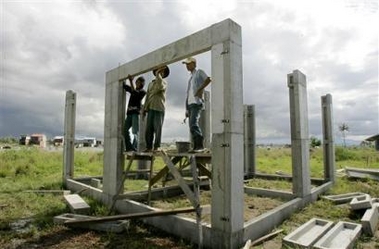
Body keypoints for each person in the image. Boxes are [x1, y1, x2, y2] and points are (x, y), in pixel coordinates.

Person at [182, 57, 211, 153]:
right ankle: (196, 147)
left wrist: (200, 89)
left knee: (193, 124)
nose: (187, 66)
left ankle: (200, 146)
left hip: (196, 103)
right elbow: (188, 94)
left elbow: (208, 79)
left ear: (194, 64)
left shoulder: (199, 72)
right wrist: (186, 109)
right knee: (191, 126)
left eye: (189, 64)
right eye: (186, 64)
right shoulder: (190, 78)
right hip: (190, 105)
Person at [143, 65, 170, 152]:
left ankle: (157, 146)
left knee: (158, 128)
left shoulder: (164, 82)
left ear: (163, 74)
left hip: (159, 108)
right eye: (158, 71)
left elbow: (160, 87)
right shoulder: (150, 84)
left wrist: (158, 74)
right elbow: (147, 96)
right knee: (148, 129)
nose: (159, 73)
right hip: (150, 108)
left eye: (161, 72)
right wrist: (144, 108)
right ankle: (148, 147)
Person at [123, 75, 146, 152]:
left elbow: (135, 93)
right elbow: (126, 87)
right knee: (124, 130)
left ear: (142, 84)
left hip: (135, 114)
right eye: (136, 82)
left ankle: (134, 148)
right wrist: (124, 79)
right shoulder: (133, 89)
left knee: (135, 131)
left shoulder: (143, 92)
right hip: (129, 113)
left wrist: (130, 81)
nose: (137, 83)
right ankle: (129, 147)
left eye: (139, 82)